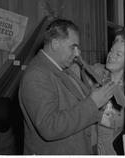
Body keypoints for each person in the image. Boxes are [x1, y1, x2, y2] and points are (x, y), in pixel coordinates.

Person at [18, 18, 116, 155]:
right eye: (73, 47)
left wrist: (90, 95)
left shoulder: (60, 68)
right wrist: (92, 103)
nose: (77, 53)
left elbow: (69, 104)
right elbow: (50, 126)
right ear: (55, 44)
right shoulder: (37, 74)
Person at [86, 34, 125, 155]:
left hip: (115, 145)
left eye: (118, 54)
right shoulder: (95, 72)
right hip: (91, 140)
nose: (111, 56)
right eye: (111, 50)